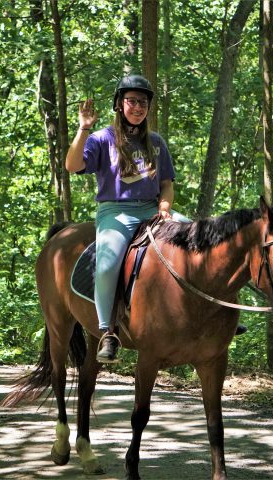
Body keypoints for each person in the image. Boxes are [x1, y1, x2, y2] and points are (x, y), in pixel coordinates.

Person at [65, 74, 176, 363]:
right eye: (131, 101)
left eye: (143, 102)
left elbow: (166, 183)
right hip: (116, 210)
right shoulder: (102, 139)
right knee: (107, 263)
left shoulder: (156, 142)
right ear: (119, 104)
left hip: (152, 209)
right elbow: (72, 165)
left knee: (196, 239)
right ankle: (108, 332)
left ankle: (207, 316)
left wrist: (165, 205)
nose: (137, 107)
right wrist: (83, 128)